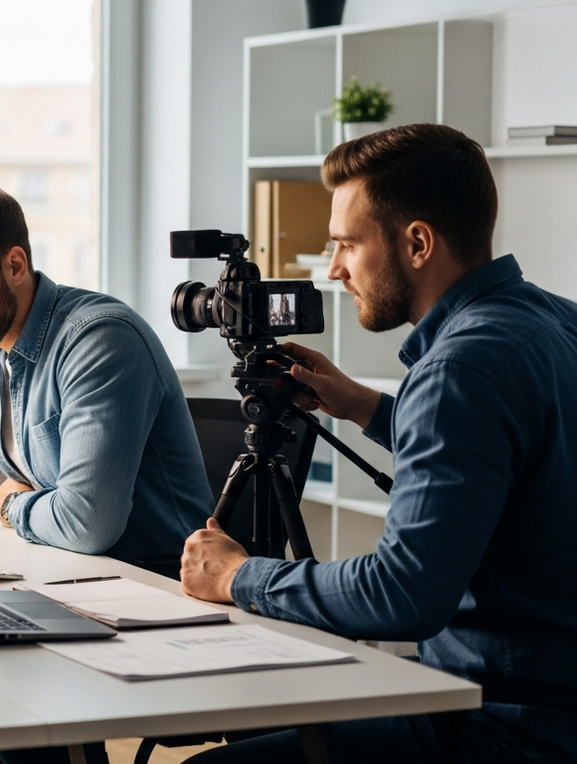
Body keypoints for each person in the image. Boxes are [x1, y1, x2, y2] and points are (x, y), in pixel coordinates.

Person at [181, 123, 577, 762]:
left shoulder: (457, 372)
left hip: (499, 723)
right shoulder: (553, 320)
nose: (334, 269)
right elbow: (510, 459)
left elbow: (403, 595)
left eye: (345, 244)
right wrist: (365, 406)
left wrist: (238, 575)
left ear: (417, 242)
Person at [0, 185, 212, 563]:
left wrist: (13, 504)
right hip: (61, 567)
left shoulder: (101, 342)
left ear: (14, 265)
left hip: (157, 585)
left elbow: (87, 524)